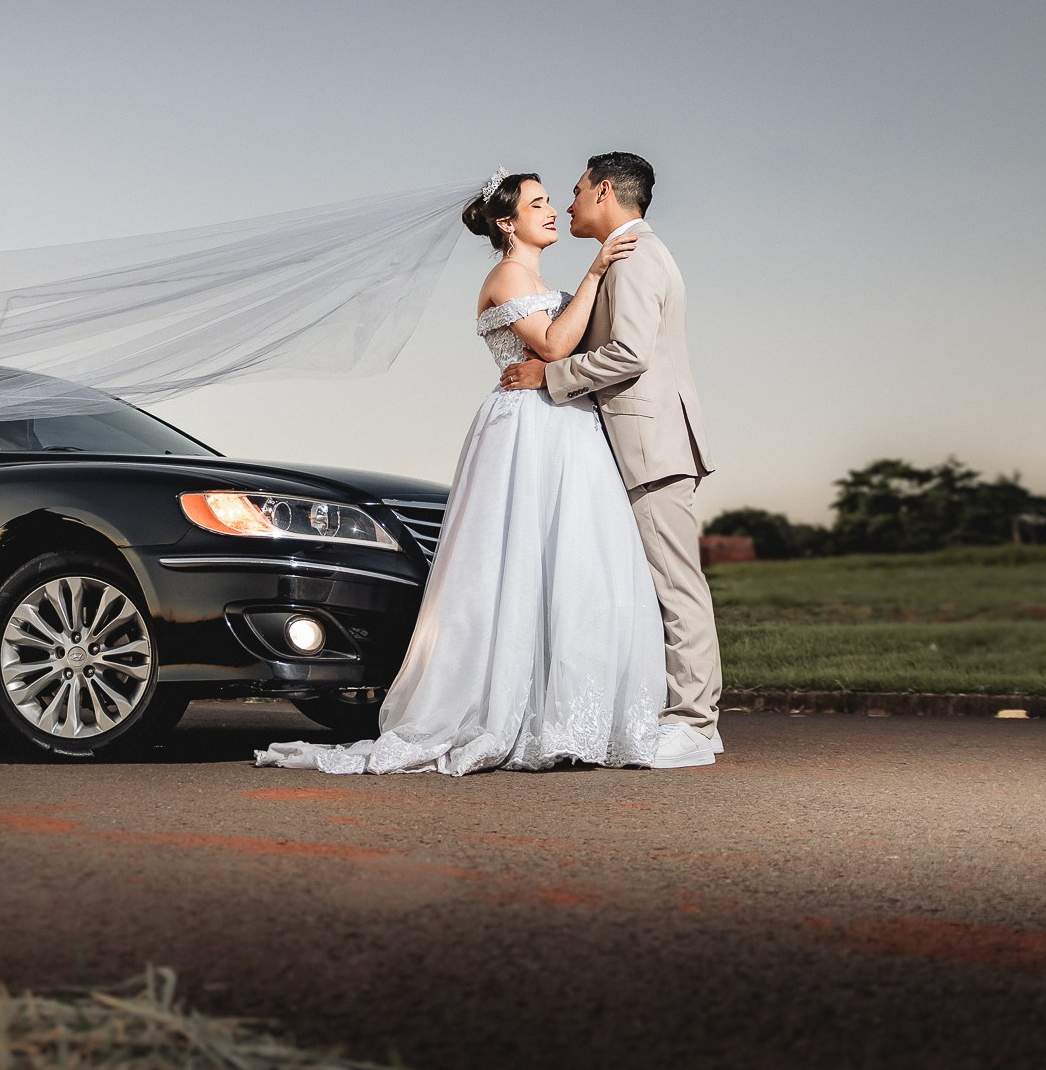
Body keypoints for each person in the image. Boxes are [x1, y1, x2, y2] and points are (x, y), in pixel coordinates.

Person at [255, 168, 665, 775]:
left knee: (575, 562)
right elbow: (552, 346)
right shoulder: (504, 277)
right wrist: (598, 270)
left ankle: (569, 714)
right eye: (538, 203)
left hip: (565, 426)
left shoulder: (537, 278)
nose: (552, 211)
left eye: (553, 201)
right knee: (516, 562)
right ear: (507, 222)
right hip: (525, 429)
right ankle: (502, 712)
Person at [500, 152, 723, 769]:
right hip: (634, 444)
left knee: (677, 589)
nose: (566, 206)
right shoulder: (627, 255)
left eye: (573, 193)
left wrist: (550, 375)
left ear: (603, 192)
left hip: (652, 445)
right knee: (650, 589)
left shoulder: (637, 257)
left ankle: (695, 725)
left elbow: (629, 353)